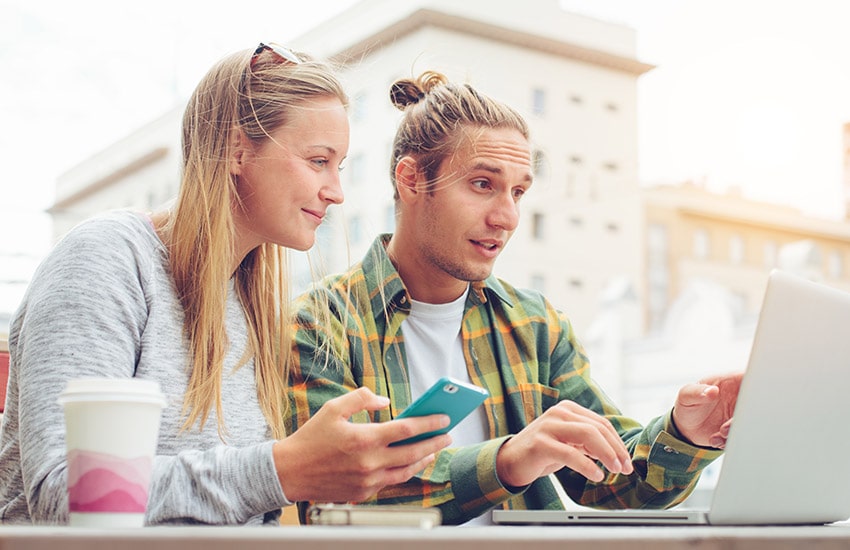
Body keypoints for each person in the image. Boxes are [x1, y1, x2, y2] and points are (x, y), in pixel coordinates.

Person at [0, 44, 451, 526]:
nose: (336, 192)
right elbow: (70, 492)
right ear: (238, 149)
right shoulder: (107, 259)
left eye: (338, 167)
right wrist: (282, 469)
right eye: (318, 160)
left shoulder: (248, 304)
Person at [287, 70, 742, 525]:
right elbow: (337, 498)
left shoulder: (535, 325)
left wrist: (686, 434)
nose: (507, 217)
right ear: (411, 179)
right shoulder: (319, 324)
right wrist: (508, 461)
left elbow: (611, 480)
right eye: (483, 184)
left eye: (519, 191)